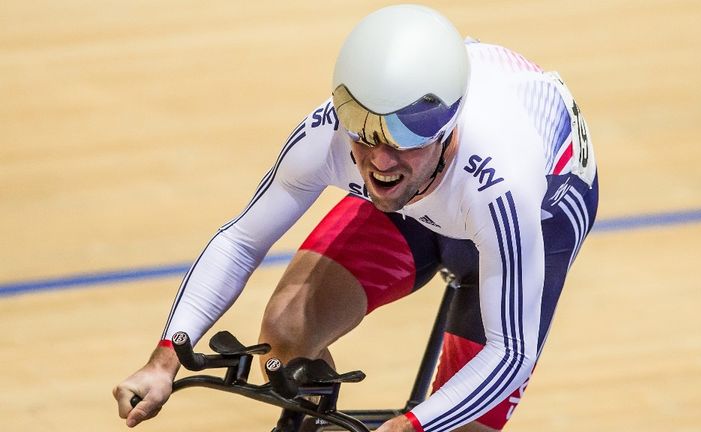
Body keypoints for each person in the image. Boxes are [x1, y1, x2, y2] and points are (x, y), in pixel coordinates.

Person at [113, 4, 598, 432]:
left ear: (450, 127)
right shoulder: (331, 133)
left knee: (459, 426)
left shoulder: (501, 183)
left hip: (542, 214)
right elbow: (242, 240)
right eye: (365, 134)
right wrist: (164, 360)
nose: (380, 160)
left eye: (405, 138)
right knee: (286, 335)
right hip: (424, 197)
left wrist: (409, 425)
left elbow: (510, 353)